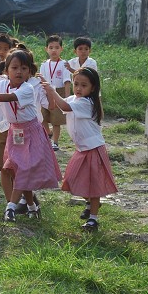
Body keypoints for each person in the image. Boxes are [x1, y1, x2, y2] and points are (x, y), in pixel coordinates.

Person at [0, 50, 61, 222]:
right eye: (14, 67)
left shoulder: (27, 88)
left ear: (29, 72)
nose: (19, 71)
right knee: (11, 169)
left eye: (24, 68)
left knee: (23, 170)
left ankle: (11, 207)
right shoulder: (2, 83)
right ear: (6, 70)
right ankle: (32, 207)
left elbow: (8, 97)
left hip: (31, 132)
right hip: (15, 132)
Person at [43, 67, 117, 231]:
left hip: (93, 149)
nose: (78, 88)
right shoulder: (75, 99)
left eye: (84, 85)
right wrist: (46, 90)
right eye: (76, 84)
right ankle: (90, 203)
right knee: (72, 179)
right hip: (82, 149)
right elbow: (58, 104)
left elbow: (64, 105)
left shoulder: (87, 102)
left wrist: (51, 89)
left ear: (93, 88)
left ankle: (93, 219)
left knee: (94, 185)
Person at [39, 35, 72, 150]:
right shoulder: (44, 64)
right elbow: (40, 80)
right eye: (51, 47)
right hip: (45, 93)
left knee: (56, 120)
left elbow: (67, 81)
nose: (54, 50)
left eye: (57, 47)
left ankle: (55, 142)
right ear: (46, 49)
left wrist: (67, 98)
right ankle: (48, 134)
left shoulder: (64, 64)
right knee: (42, 117)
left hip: (59, 93)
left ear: (61, 49)